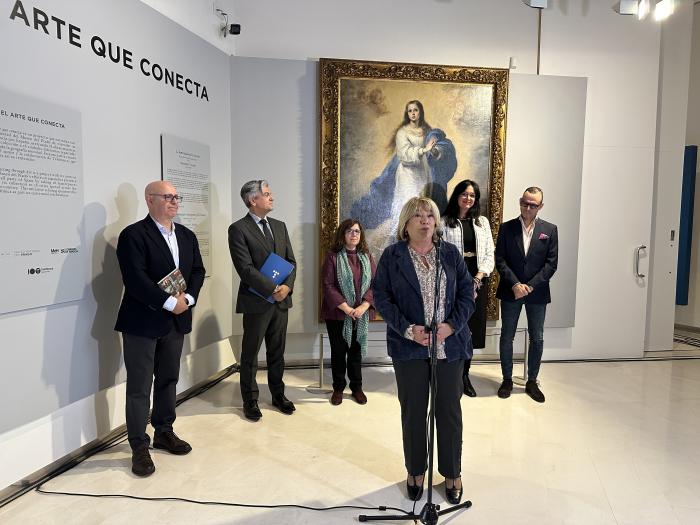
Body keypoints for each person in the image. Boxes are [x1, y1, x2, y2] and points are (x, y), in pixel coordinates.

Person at [374, 197, 474, 504]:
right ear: (406, 223)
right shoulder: (393, 256)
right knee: (414, 411)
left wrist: (452, 326)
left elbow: (467, 293)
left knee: (448, 411)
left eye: (429, 214)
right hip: (409, 348)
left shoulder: (450, 253)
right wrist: (408, 329)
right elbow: (381, 297)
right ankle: (416, 470)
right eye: (417, 215)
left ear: (436, 222)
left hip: (450, 347)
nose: (425, 219)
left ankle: (452, 472)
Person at [115, 180, 205, 477]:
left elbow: (197, 271)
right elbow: (135, 279)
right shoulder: (133, 235)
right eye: (167, 197)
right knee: (139, 386)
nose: (174, 201)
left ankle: (164, 431)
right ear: (149, 199)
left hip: (176, 321)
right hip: (143, 321)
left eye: (176, 197)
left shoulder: (188, 236)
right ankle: (139, 446)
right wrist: (169, 302)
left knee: (168, 379)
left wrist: (188, 299)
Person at [350, 100, 457, 259]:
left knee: (424, 210)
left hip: (422, 174)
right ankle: (399, 246)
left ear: (420, 112)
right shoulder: (402, 133)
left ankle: (422, 248)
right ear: (407, 114)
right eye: (410, 111)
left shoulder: (428, 132)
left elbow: (437, 143)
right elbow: (405, 156)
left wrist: (434, 150)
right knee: (407, 209)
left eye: (416, 110)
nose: (413, 113)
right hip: (407, 174)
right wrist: (424, 149)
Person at [228, 180, 297, 421]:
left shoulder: (280, 226)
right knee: (250, 354)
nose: (271, 197)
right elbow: (245, 269)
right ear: (252, 200)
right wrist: (272, 288)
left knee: (277, 352)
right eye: (266, 194)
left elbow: (291, 261)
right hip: (256, 302)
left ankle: (278, 395)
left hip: (281, 302)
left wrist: (287, 287)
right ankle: (250, 400)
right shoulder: (238, 229)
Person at [495, 186, 558, 403]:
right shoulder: (506, 228)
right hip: (511, 291)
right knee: (507, 336)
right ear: (520, 201)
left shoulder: (549, 230)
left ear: (540, 206)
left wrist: (529, 286)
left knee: (537, 338)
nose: (528, 207)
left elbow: (551, 265)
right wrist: (514, 284)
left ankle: (532, 380)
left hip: (537, 293)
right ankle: (506, 379)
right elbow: (500, 259)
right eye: (525, 202)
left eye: (533, 204)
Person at [442, 180, 495, 397]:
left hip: (478, 279)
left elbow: (490, 251)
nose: (468, 198)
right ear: (456, 196)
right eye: (464, 194)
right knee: (455, 326)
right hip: (453, 282)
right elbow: (441, 255)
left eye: (472, 195)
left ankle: (465, 375)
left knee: (471, 329)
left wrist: (478, 278)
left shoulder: (482, 222)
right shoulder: (445, 222)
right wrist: (459, 282)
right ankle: (451, 374)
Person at [320, 219, 377, 405]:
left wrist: (362, 307)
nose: (354, 234)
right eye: (350, 231)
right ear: (342, 234)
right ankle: (338, 388)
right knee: (338, 352)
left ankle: (356, 387)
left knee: (355, 352)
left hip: (360, 314)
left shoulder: (367, 257)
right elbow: (328, 286)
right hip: (338, 314)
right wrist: (346, 308)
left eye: (357, 231)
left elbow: (376, 284)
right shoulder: (333, 256)